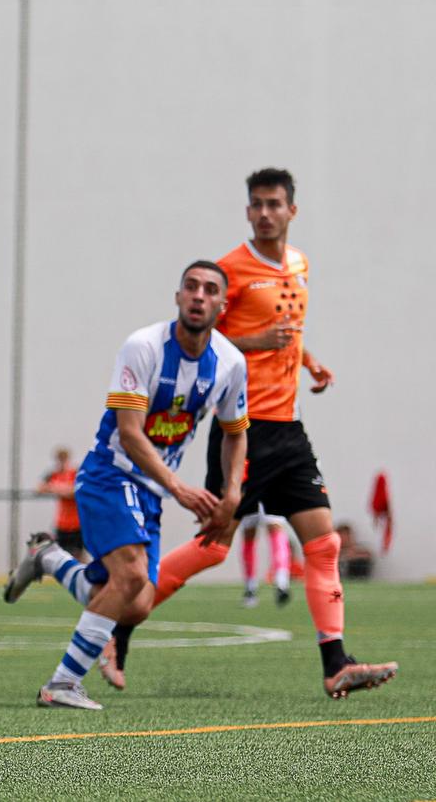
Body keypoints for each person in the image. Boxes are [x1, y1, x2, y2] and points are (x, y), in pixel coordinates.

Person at [109, 169, 396, 699]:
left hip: (288, 428)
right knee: (213, 547)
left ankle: (335, 663)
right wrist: (259, 339)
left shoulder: (300, 264)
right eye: (257, 205)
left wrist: (307, 361)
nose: (265, 213)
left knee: (325, 543)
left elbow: (290, 329)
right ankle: (117, 628)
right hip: (243, 429)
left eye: (275, 204)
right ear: (247, 212)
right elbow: (202, 335)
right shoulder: (231, 270)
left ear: (292, 211)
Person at [2, 261, 248, 710]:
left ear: (222, 304)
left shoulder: (231, 364)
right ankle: (62, 684)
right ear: (177, 297)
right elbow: (130, 433)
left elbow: (235, 432)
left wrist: (232, 492)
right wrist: (179, 487)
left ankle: (49, 558)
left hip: (150, 488)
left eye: (210, 290)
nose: (198, 295)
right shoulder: (144, 347)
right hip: (110, 473)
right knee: (131, 575)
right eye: (190, 287)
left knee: (133, 604)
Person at [237, 509, 296, 608]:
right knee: (249, 533)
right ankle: (250, 587)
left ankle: (282, 584)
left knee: (275, 526)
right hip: (250, 495)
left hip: (272, 494)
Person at [36, 447, 84, 559]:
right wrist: (56, 488)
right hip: (62, 523)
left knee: (78, 555)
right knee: (61, 554)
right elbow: (39, 488)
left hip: (77, 522)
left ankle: (82, 575)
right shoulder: (54, 474)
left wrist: (58, 489)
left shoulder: (75, 473)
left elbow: (73, 491)